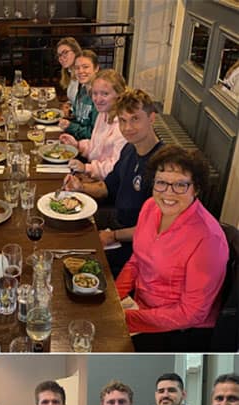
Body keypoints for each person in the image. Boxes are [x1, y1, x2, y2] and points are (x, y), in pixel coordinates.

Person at [115, 145, 228, 351]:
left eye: (180, 185)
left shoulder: (208, 239)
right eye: (161, 183)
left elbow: (192, 313)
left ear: (197, 188)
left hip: (178, 330)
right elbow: (137, 260)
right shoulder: (150, 206)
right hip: (139, 307)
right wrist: (113, 298)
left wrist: (127, 318)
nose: (168, 192)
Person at [63, 88, 165, 276]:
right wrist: (81, 187)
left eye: (135, 119)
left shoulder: (163, 166)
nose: (127, 128)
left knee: (75, 264)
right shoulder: (129, 148)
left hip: (135, 243)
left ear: (151, 118)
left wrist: (113, 236)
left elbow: (158, 228)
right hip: (115, 220)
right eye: (123, 121)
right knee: (64, 230)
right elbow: (108, 187)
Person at [59, 69, 128, 181]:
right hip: (94, 174)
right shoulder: (103, 113)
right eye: (95, 93)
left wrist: (86, 168)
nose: (98, 99)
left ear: (119, 95)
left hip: (107, 185)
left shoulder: (124, 125)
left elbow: (115, 167)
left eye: (105, 94)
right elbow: (97, 147)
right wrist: (77, 145)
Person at [58, 50, 99, 141]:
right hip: (74, 139)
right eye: (77, 68)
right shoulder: (82, 89)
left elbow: (94, 134)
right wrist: (67, 118)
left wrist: (70, 126)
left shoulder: (100, 98)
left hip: (89, 147)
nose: (80, 71)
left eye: (85, 67)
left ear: (96, 68)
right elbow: (78, 118)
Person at [55, 37, 82, 114]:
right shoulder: (70, 73)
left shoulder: (83, 76)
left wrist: (70, 111)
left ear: (76, 52)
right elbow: (74, 100)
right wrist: (68, 104)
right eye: (59, 55)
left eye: (65, 52)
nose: (61, 58)